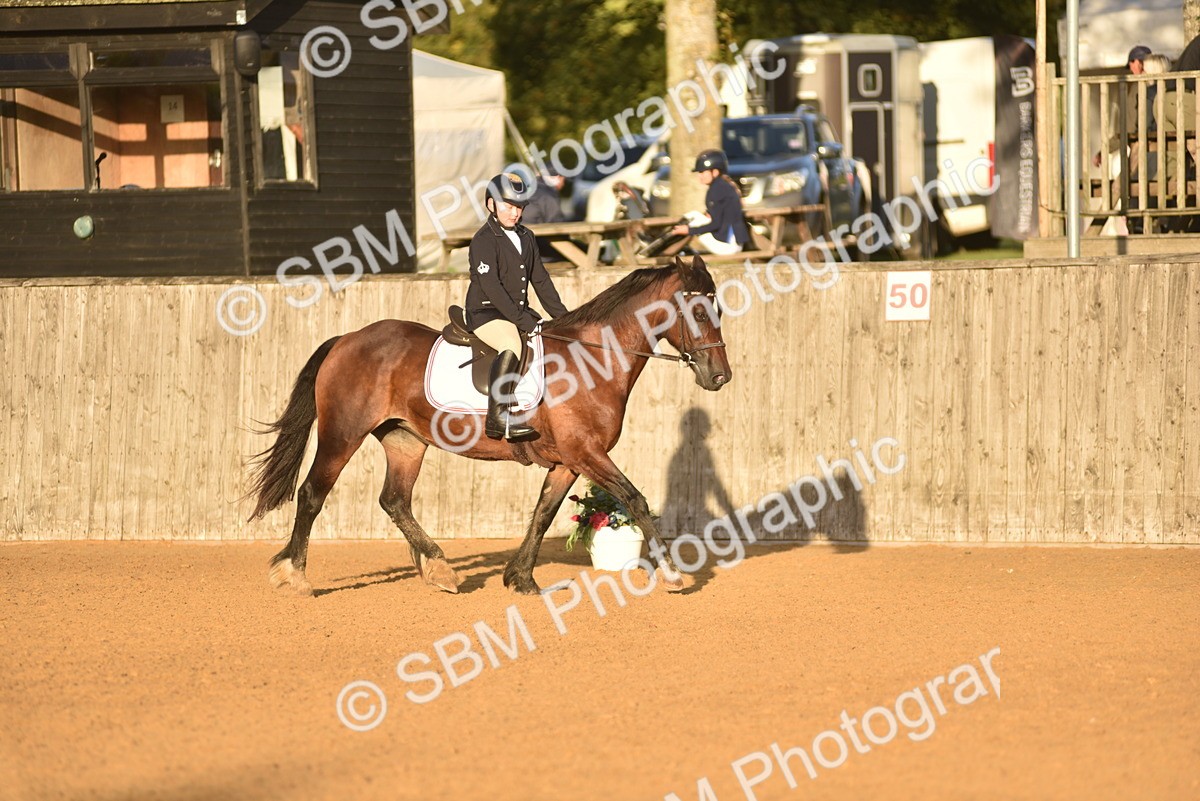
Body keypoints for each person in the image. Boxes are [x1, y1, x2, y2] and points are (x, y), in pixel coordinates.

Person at [465, 172, 569, 441]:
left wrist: (566, 319)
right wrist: (522, 320)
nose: (515, 213)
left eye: (520, 207)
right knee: (512, 344)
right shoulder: (483, 240)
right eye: (508, 206)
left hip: (515, 313)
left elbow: (541, 281)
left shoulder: (526, 236)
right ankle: (497, 417)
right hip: (486, 312)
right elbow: (492, 288)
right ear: (491, 205)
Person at [669, 149, 749, 256]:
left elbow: (716, 224)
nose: (699, 176)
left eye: (702, 172)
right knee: (694, 218)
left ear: (715, 172)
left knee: (694, 218)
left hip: (728, 246)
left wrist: (689, 230)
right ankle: (667, 244)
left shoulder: (717, 189)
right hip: (734, 243)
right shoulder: (725, 185)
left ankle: (659, 246)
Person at [520, 170, 568, 262]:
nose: (564, 184)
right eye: (563, 180)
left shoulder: (526, 189)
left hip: (519, 247)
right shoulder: (548, 195)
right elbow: (558, 226)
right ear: (558, 177)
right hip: (540, 251)